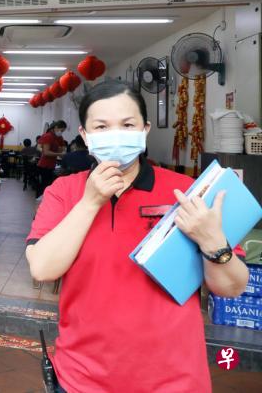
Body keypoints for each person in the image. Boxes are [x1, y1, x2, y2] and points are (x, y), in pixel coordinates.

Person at [26, 80, 249, 392]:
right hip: (81, 378)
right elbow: (42, 269)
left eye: (127, 124)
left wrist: (213, 242)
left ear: (144, 130)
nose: (115, 134)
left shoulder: (187, 192)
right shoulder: (63, 191)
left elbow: (232, 287)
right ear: (85, 136)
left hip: (174, 380)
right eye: (101, 126)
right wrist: (91, 202)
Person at [36, 121, 67, 197]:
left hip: (51, 165)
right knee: (44, 186)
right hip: (44, 165)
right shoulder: (48, 136)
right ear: (56, 127)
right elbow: (46, 152)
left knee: (49, 185)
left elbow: (63, 148)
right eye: (61, 130)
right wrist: (59, 153)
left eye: (63, 131)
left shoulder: (59, 137)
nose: (61, 132)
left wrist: (57, 151)